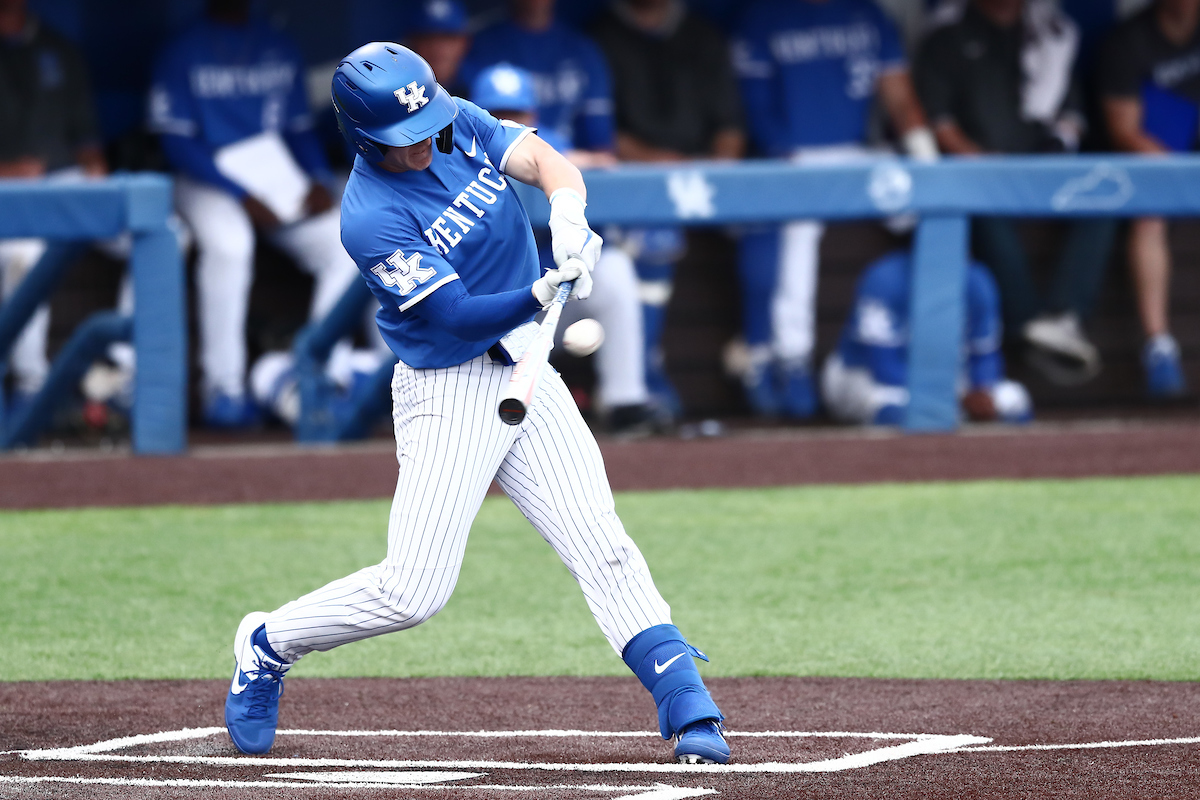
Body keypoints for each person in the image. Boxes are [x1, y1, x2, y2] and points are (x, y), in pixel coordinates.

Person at [222, 43, 730, 767]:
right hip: (449, 385)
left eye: (429, 126)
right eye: (406, 141)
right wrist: (539, 293)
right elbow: (457, 316)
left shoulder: (450, 118)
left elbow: (543, 159)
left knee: (602, 542)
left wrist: (568, 214)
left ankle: (688, 708)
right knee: (413, 591)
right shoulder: (371, 216)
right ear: (363, 138)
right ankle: (269, 643)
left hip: (524, 366)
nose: (427, 144)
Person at [148, 0, 360, 428]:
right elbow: (176, 143)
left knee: (346, 242)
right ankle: (223, 388)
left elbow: (299, 130)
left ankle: (317, 374)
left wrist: (318, 177)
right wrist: (239, 194)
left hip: (273, 177)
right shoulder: (182, 49)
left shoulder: (278, 45)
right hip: (205, 178)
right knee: (230, 245)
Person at [731, 0, 935, 419]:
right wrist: (781, 155)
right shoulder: (763, 15)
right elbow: (758, 107)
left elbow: (899, 96)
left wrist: (925, 158)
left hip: (857, 154)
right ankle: (793, 357)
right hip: (795, 157)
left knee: (927, 207)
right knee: (797, 229)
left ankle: (939, 337)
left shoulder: (869, 14)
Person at [916, 0, 1116, 386]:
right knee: (981, 208)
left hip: (1042, 169)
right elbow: (939, 124)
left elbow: (1072, 116)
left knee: (1103, 195)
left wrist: (1056, 149)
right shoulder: (946, 37)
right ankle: (1028, 323)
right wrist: (980, 161)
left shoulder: (1050, 32)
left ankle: (1062, 316)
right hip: (981, 171)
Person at [470, 62, 656, 433]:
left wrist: (579, 165)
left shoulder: (545, 141)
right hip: (500, 304)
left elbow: (561, 159)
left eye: (516, 113)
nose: (508, 122)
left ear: (532, 114)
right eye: (498, 113)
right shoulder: (460, 153)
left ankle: (626, 402)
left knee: (616, 269)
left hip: (560, 290)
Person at [591, 0, 746, 418]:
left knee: (767, 225)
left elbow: (730, 125)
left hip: (704, 176)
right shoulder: (601, 37)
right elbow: (605, 140)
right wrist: (665, 166)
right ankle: (646, 372)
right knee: (652, 236)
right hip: (633, 183)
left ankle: (760, 356)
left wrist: (719, 168)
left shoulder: (701, 34)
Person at [0, 0, 106, 413]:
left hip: (59, 181)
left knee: (165, 233)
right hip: (6, 188)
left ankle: (122, 374)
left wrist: (96, 167)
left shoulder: (57, 48)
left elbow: (86, 136)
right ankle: (30, 382)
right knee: (26, 253)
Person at [1098, 0, 1199, 397]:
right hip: (1160, 155)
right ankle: (1160, 347)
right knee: (1150, 211)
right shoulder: (1130, 41)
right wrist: (1181, 173)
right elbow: (1125, 130)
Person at [821, 249, 1033, 425]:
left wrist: (981, 390)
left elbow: (984, 356)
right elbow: (884, 367)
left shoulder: (977, 281)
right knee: (895, 409)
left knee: (1014, 400)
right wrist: (954, 399)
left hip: (947, 380)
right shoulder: (885, 278)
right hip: (864, 375)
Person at [406, 0, 472, 97]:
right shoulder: (401, 91)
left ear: (464, 42)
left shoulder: (479, 88)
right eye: (427, 38)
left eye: (447, 38)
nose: (437, 49)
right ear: (413, 43)